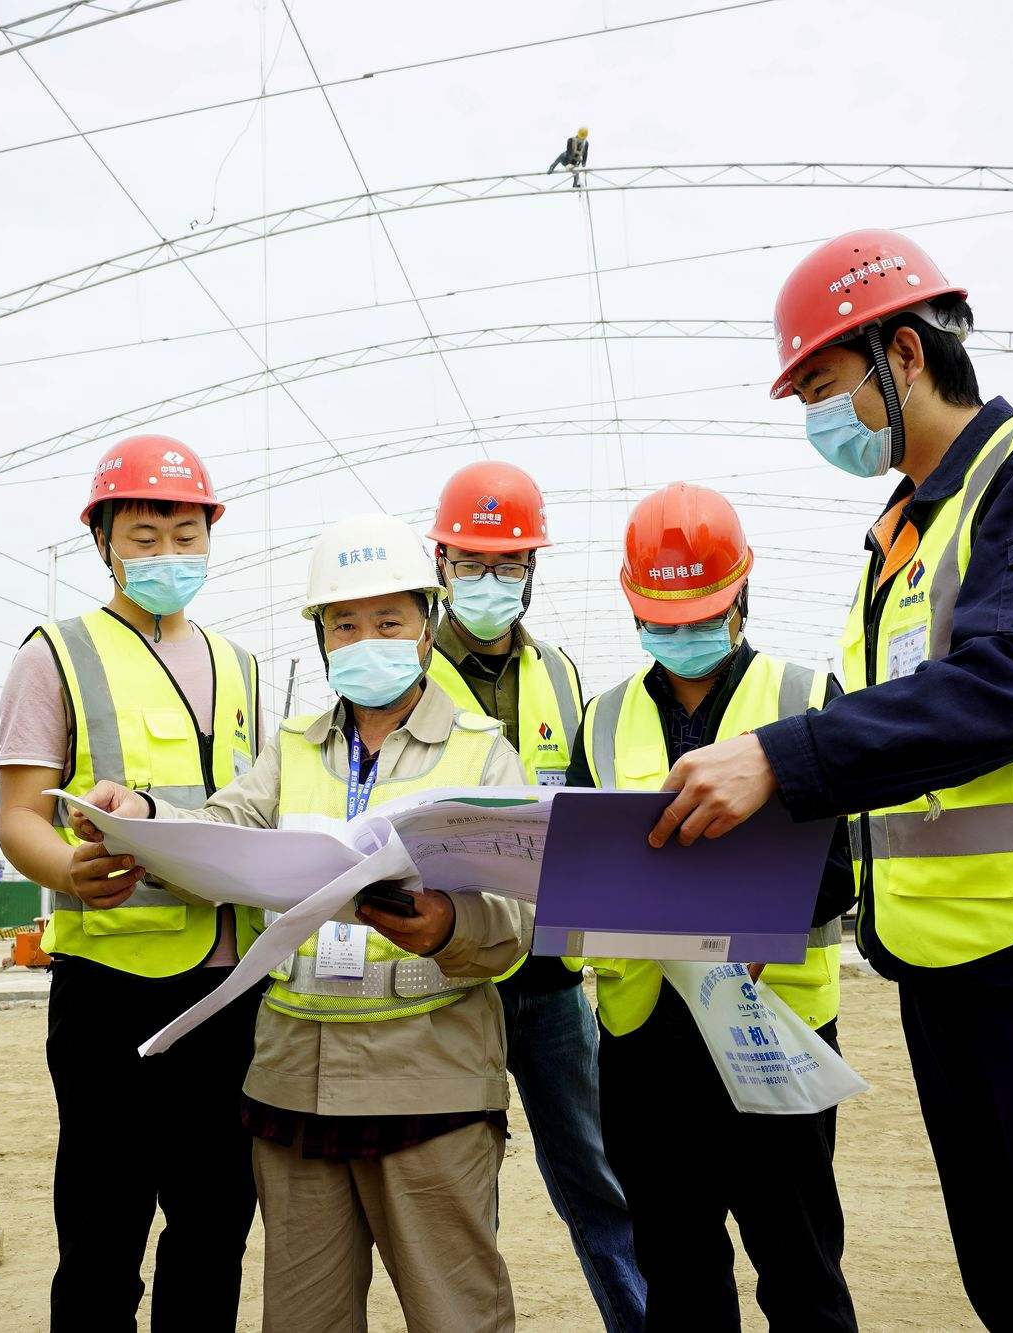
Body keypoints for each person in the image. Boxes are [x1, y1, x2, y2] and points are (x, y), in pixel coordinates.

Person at [651, 229, 1013, 1331]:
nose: (815, 421)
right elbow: (903, 768)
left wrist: (778, 758)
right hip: (954, 979)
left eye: (823, 388)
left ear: (906, 355)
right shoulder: (898, 537)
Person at [74, 514, 530, 1333]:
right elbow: (219, 832)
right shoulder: (291, 749)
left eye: (388, 621)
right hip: (295, 1082)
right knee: (303, 1319)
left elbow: (519, 916)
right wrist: (139, 813)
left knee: (456, 1315)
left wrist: (449, 924)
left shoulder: (482, 752)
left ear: (425, 629)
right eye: (344, 624)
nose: (366, 639)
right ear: (322, 639)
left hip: (429, 1079)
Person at [567, 482, 857, 1332]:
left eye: (702, 614)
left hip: (774, 1026)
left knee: (800, 1261)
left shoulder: (808, 696)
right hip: (644, 1036)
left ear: (741, 600)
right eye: (663, 617)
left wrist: (760, 918)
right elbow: (587, 860)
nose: (683, 634)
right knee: (675, 1265)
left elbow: (846, 865)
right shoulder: (605, 715)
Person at [0, 433, 262, 1332]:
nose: (168, 555)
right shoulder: (55, 655)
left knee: (216, 1223)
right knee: (104, 1233)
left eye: (186, 534)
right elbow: (18, 816)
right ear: (103, 540)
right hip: (109, 988)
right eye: (145, 536)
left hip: (227, 985)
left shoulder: (243, 668)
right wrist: (69, 866)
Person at [423, 461, 645, 1331]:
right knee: (455, 1186)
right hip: (444, 970)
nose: (490, 581)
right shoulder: (397, 671)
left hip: (551, 975)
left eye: (509, 563)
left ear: (532, 571)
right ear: (441, 561)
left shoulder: (559, 672)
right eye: (473, 561)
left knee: (597, 1175)